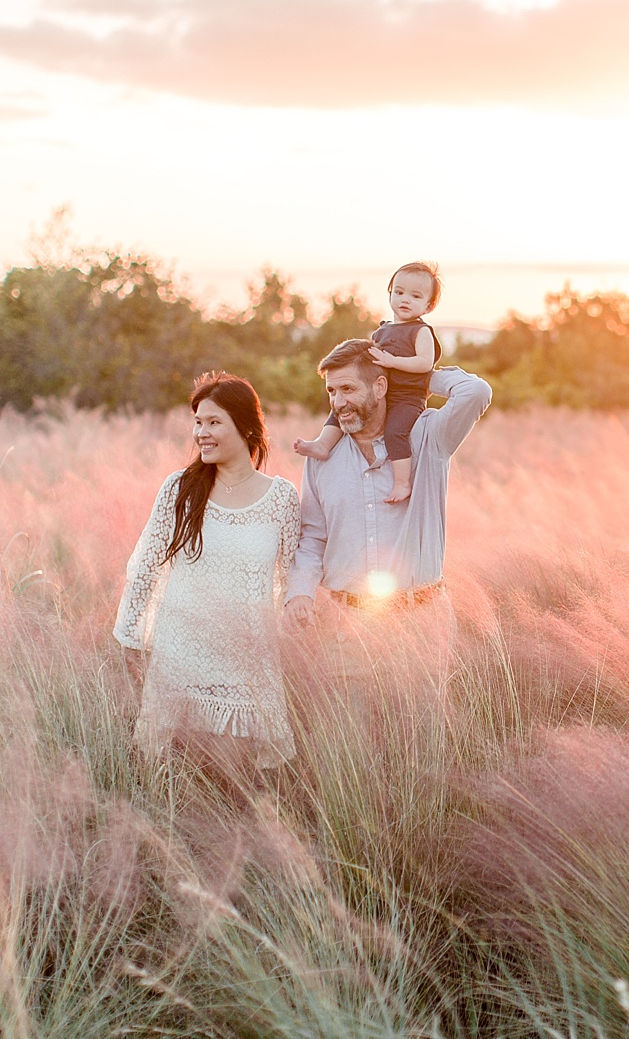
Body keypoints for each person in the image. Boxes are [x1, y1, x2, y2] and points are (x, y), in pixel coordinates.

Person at [114, 372, 302, 779]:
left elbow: (288, 582)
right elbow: (146, 566)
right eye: (198, 422)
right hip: (180, 658)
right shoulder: (179, 489)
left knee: (234, 786)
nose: (202, 432)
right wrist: (131, 639)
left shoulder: (282, 498)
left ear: (247, 426)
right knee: (176, 784)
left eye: (214, 422)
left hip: (245, 666)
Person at [283, 338, 491, 660]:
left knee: (423, 713)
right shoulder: (320, 456)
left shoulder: (427, 437)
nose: (338, 403)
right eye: (332, 392)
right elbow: (313, 537)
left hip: (421, 629)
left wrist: (411, 374)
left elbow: (475, 393)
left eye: (348, 389)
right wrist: (299, 593)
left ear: (380, 387)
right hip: (344, 633)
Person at [294, 262, 443, 505]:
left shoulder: (421, 331)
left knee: (396, 432)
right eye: (399, 292)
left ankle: (402, 482)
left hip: (407, 397)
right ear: (390, 293)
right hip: (381, 393)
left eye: (415, 296)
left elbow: (425, 363)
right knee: (341, 408)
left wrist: (392, 361)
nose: (405, 300)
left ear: (428, 305)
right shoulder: (381, 332)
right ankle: (323, 445)